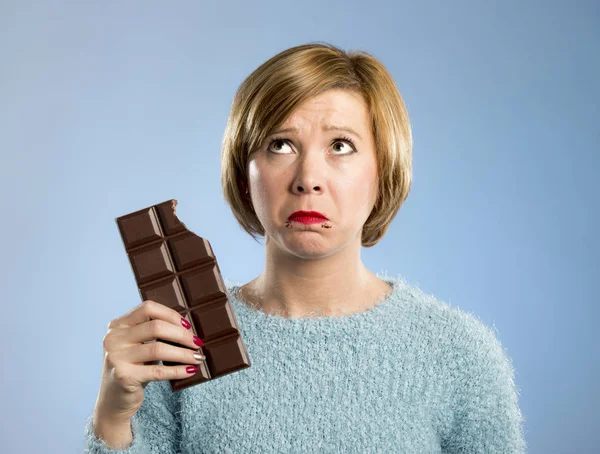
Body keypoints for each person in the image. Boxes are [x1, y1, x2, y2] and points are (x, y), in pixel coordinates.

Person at [84, 42, 527, 453]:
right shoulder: (177, 346)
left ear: (384, 170)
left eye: (341, 145)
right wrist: (112, 417)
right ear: (244, 173)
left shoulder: (460, 353)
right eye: (280, 145)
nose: (307, 177)